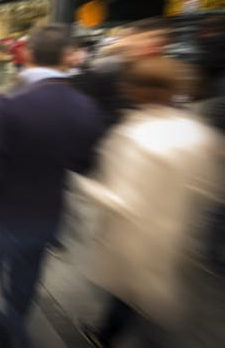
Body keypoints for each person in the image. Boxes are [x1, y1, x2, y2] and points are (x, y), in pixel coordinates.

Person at [0, 25, 105, 348]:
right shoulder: (84, 107)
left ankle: (11, 330)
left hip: (5, 212)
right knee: (26, 282)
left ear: (29, 54)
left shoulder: (11, 103)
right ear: (66, 58)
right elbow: (87, 164)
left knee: (3, 279)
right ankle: (8, 323)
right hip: (48, 213)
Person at [78, 58, 223, 348]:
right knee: (149, 297)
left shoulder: (136, 135)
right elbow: (211, 188)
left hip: (135, 236)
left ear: (136, 90)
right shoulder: (198, 132)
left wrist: (82, 184)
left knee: (132, 293)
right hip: (178, 233)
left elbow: (121, 199)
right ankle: (107, 332)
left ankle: (104, 336)